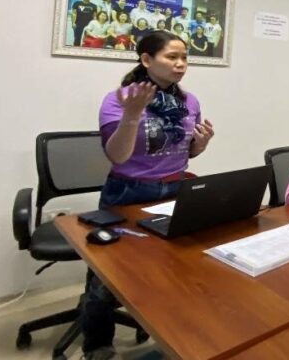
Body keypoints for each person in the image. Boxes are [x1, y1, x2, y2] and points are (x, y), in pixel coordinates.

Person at [80, 30, 214, 359]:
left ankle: (168, 336)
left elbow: (186, 153)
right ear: (146, 60)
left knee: (169, 269)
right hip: (128, 191)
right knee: (106, 276)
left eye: (185, 58)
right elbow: (118, 156)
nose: (181, 64)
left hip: (174, 188)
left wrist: (202, 142)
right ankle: (97, 344)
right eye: (172, 57)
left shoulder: (189, 101)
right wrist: (130, 117)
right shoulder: (120, 99)